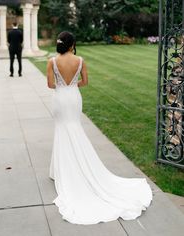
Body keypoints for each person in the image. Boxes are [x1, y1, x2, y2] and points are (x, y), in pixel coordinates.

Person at [46, 31, 152, 225]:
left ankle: (60, 171)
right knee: (74, 128)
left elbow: (50, 84)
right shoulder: (80, 60)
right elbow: (85, 82)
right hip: (74, 98)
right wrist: (72, 86)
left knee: (62, 131)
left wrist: (63, 86)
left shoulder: (52, 62)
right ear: (72, 44)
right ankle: (64, 168)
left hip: (61, 99)